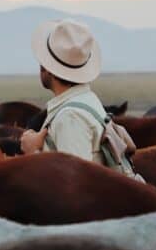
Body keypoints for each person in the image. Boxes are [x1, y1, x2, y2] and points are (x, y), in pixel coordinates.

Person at [20, 19, 110, 163]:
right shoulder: (87, 100)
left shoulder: (70, 117)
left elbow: (75, 180)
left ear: (46, 68)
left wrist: (33, 152)